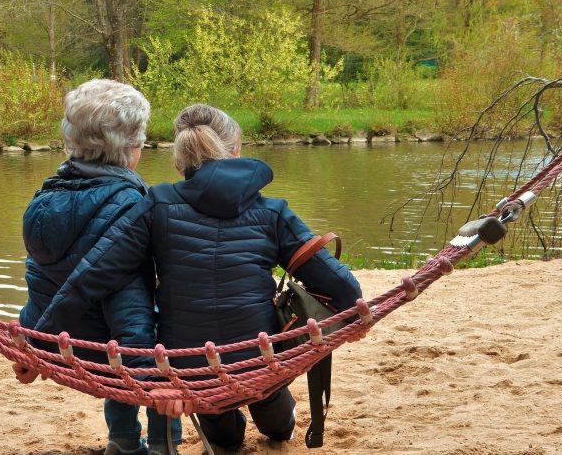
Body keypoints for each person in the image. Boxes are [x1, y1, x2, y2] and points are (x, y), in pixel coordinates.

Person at [35, 104, 362, 450]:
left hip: (190, 371)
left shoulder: (155, 204)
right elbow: (338, 283)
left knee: (223, 433)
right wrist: (357, 315)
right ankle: (276, 419)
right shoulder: (272, 211)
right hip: (259, 358)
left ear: (179, 162)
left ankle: (228, 424)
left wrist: (39, 341)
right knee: (272, 406)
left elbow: (94, 275)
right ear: (235, 152)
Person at [13, 79, 181, 455]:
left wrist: (31, 341)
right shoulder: (133, 205)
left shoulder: (44, 197)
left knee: (120, 337)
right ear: (131, 149)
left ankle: (121, 440)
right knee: (162, 338)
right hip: (116, 353)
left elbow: (40, 280)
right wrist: (152, 380)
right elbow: (131, 305)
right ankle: (161, 445)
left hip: (63, 344)